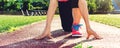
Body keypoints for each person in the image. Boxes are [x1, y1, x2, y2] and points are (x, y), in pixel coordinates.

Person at [35, 0, 102, 39]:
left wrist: (88, 27)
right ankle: (70, 25)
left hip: (75, 8)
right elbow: (53, 2)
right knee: (67, 28)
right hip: (65, 8)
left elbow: (82, 1)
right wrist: (47, 27)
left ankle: (76, 26)